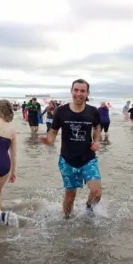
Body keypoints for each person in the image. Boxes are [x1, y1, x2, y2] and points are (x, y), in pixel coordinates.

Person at [40, 79, 102, 219]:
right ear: (71, 91)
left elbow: (97, 126)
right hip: (67, 160)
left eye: (82, 91)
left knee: (97, 192)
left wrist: (97, 141)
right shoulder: (61, 111)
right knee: (70, 196)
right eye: (76, 90)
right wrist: (48, 140)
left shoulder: (93, 111)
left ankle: (88, 210)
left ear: (87, 93)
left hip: (88, 159)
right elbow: (53, 132)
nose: (79, 94)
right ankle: (66, 222)